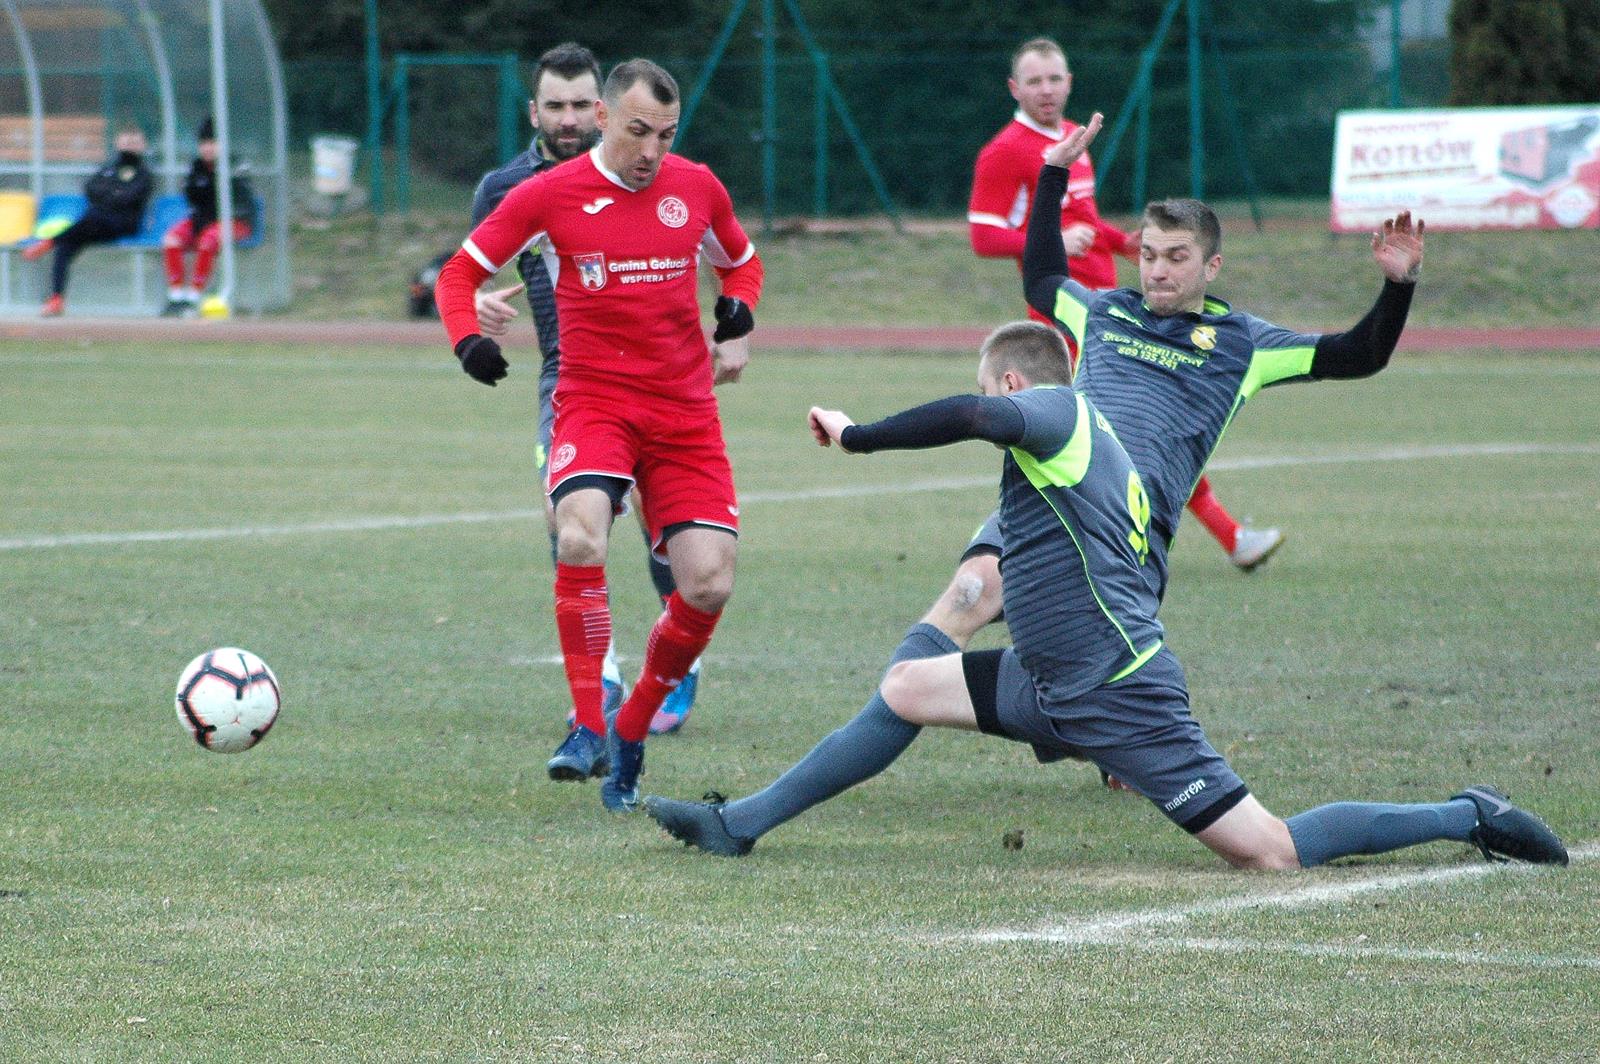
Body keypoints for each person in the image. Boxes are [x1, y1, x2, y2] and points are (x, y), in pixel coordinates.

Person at [641, 116, 1499, 862]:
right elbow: (1042, 280)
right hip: (1047, 490)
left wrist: (1397, 285)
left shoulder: (1245, 343)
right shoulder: (1108, 315)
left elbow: (1361, 355)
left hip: (1115, 540)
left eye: (1176, 259)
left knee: (1229, 814)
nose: (1157, 272)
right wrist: (1051, 175)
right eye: (1148, 255)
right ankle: (742, 824)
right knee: (953, 619)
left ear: (1212, 264)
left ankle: (1120, 740)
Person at [644, 318, 1568, 871]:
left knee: (1271, 854)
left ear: (1014, 382)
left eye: (990, 388)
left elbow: (970, 418)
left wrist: (857, 437)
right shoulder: (1079, 447)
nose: (988, 402)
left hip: (1120, 691)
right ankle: (739, 827)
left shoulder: (1057, 412)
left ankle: (1467, 814)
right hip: (1056, 678)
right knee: (904, 689)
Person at [435, 59, 764, 813]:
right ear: (605, 120)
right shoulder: (547, 194)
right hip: (594, 401)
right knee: (578, 535)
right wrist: (467, 340)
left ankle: (635, 725)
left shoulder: (697, 186)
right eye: (639, 131)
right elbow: (459, 274)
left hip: (684, 414)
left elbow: (741, 263)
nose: (652, 150)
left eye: (666, 134)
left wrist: (738, 310)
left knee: (708, 582)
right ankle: (591, 722)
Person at [968, 37, 1280, 572]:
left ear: (1069, 82)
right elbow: (982, 236)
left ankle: (1221, 539)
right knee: (1120, 433)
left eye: (1056, 78)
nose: (1047, 89)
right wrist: (1052, 245)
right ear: (1014, 88)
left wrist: (1127, 243)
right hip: (1063, 321)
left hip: (1110, 311)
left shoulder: (1073, 138)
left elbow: (1085, 220)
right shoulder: (1005, 152)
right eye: (1035, 80)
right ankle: (1008, 544)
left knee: (1134, 432)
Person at [469, 42, 701, 737]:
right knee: (564, 518)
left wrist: (731, 329)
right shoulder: (506, 188)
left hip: (656, 379)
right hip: (566, 377)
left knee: (666, 526)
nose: (568, 118)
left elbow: (698, 242)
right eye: (554, 105)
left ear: (602, 108)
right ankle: (596, 679)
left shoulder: (647, 168)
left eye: (579, 105)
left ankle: (679, 663)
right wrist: (478, 306)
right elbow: (471, 268)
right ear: (532, 110)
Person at [23, 127, 153, 317]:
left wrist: (110, 195)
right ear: (117, 144)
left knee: (92, 219)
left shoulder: (143, 173)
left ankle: (50, 241)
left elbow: (129, 198)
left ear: (142, 146)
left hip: (124, 225)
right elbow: (91, 189)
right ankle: (56, 298)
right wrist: (113, 194)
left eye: (133, 143)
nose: (128, 147)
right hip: (97, 226)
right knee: (66, 246)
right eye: (125, 142)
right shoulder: (108, 168)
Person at [161, 117, 255, 317]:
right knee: (171, 239)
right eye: (204, 143)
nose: (208, 148)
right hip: (202, 221)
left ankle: (194, 297)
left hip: (235, 222)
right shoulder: (197, 167)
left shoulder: (235, 164)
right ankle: (176, 296)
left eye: (212, 143)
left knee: (208, 241)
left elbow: (238, 198)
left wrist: (221, 175)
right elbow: (193, 197)